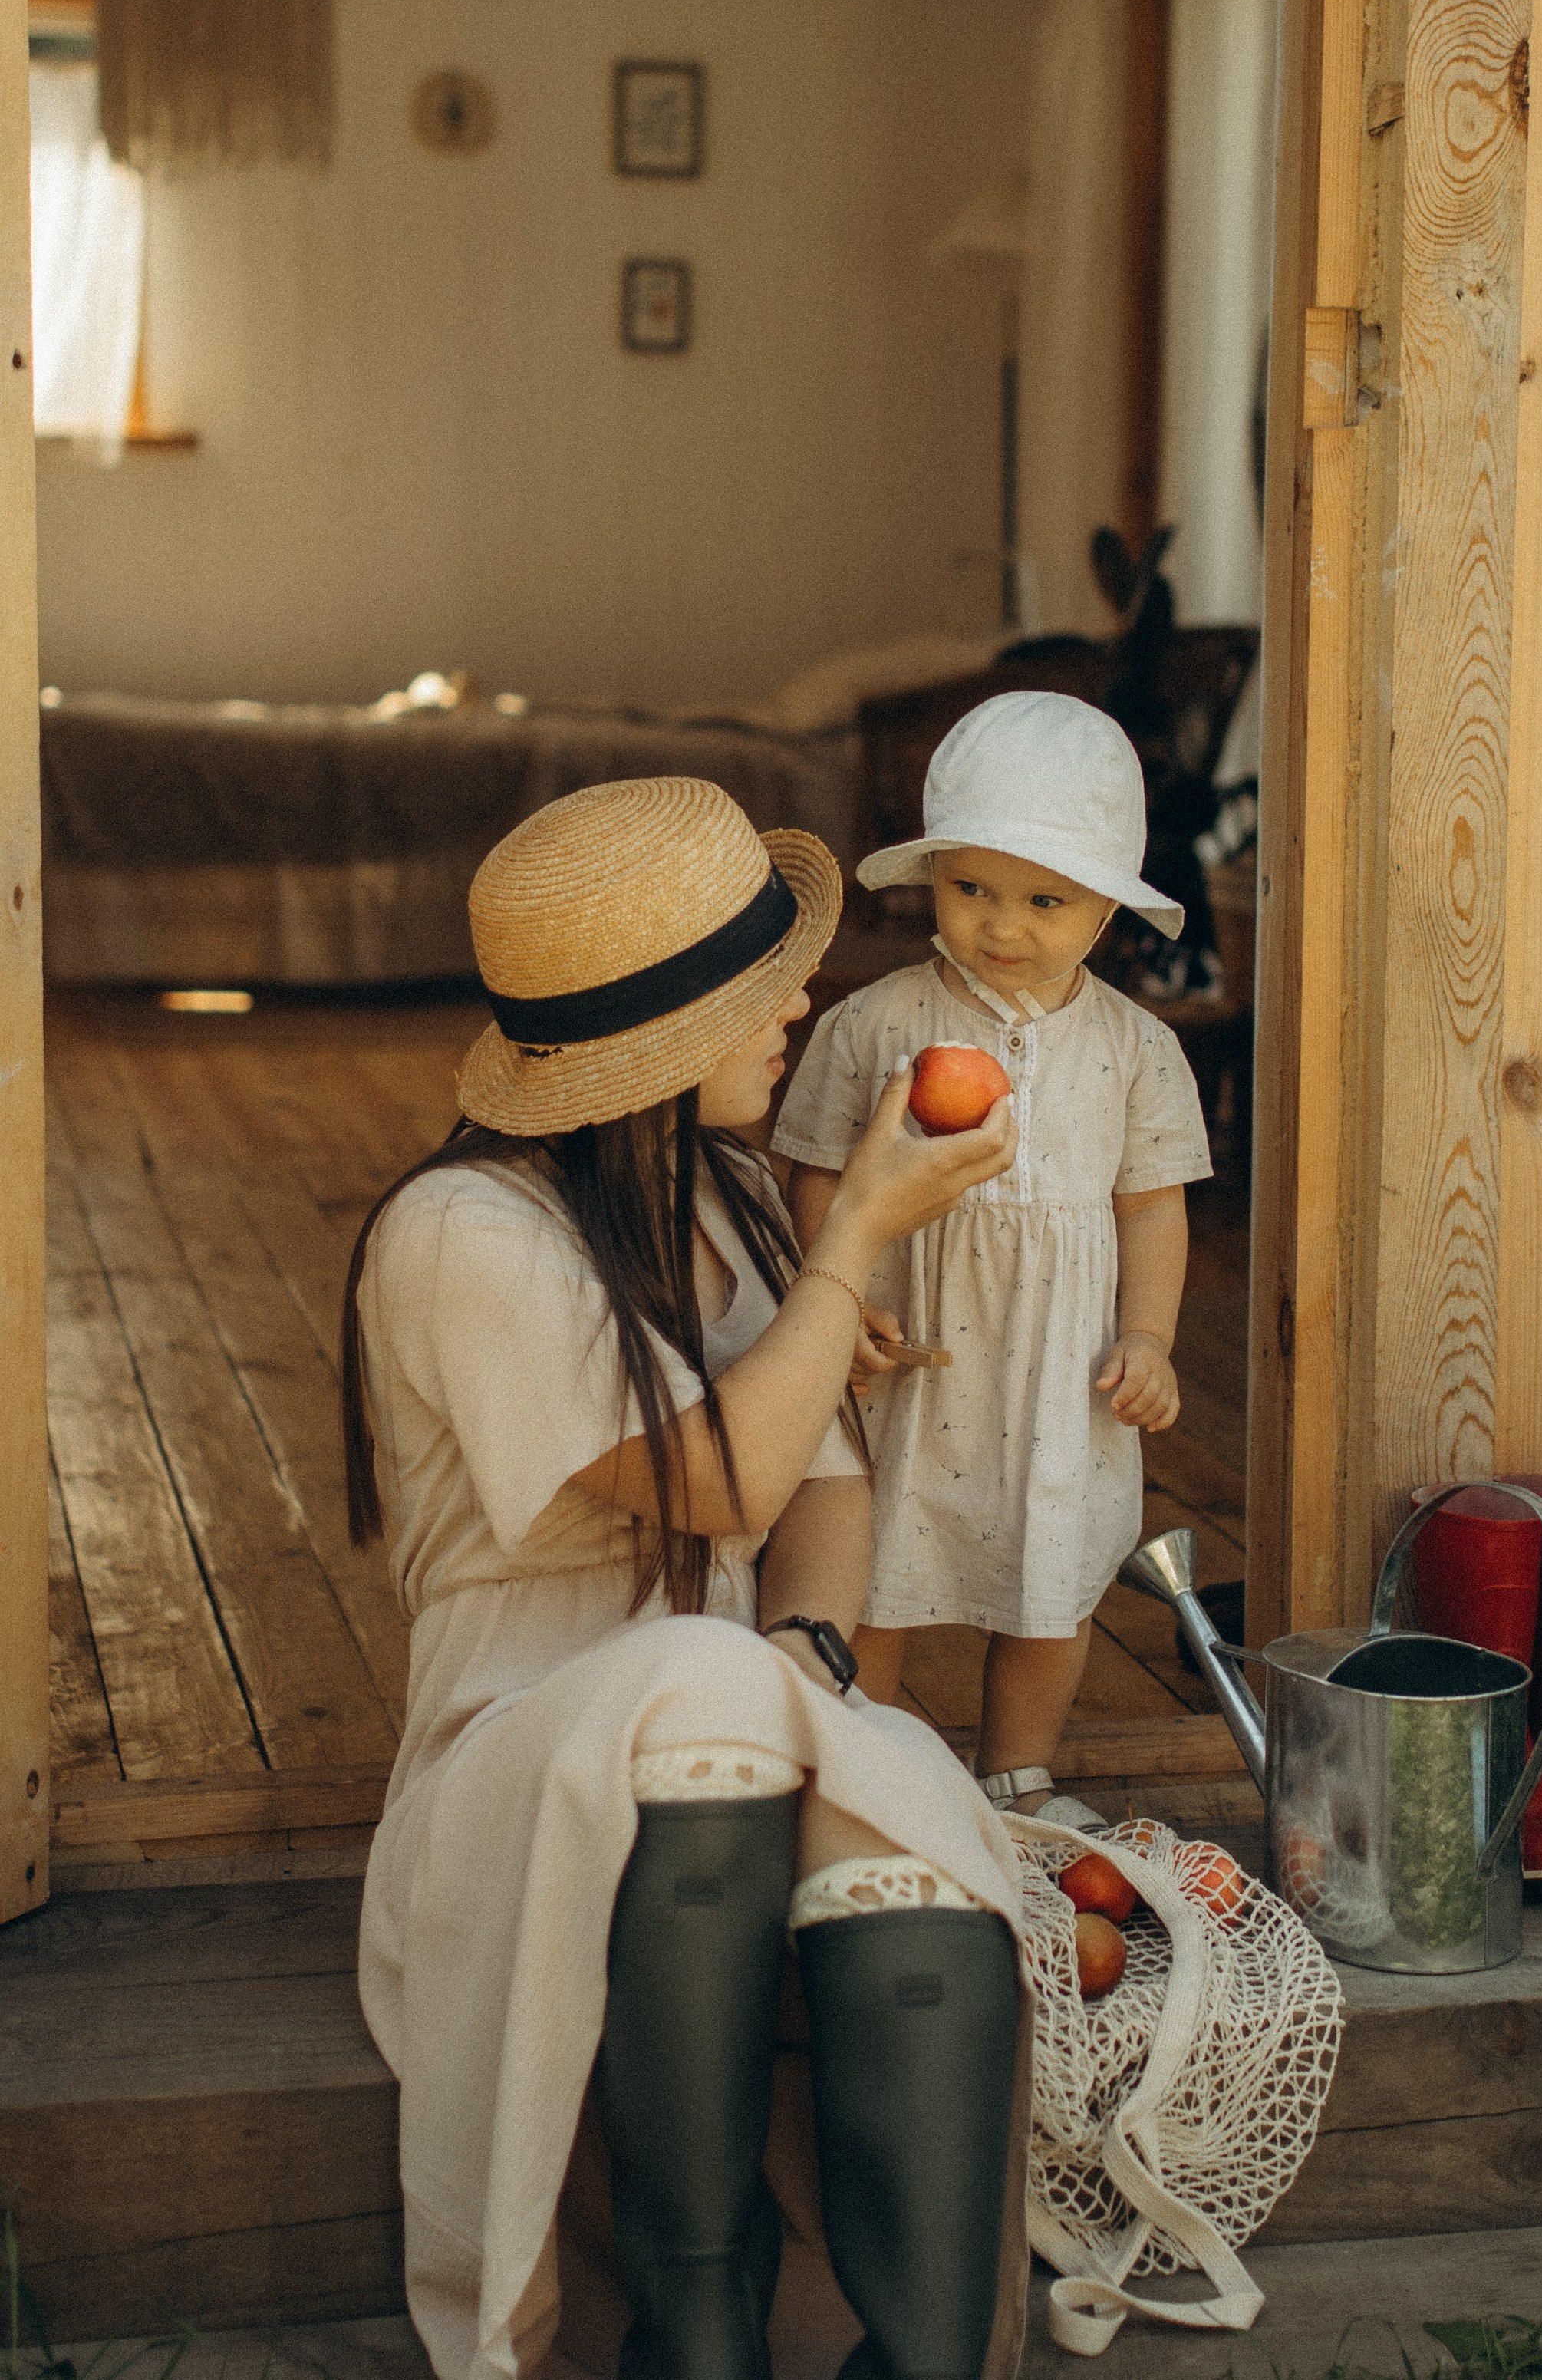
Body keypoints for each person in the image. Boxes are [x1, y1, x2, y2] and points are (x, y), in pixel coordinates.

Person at [344, 776, 1033, 2380]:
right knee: (719, 1684)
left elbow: (821, 1501)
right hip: (517, 1759)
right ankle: (696, 2333)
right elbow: (719, 1476)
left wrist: (800, 1660)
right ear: (651, 1038)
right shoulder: (458, 1234)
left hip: (736, 1717)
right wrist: (856, 1233)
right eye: (760, 985)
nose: (805, 998)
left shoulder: (721, 1197)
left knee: (930, 1838)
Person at [772, 692, 1214, 1834]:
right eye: (972, 889)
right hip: (912, 1353)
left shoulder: (1135, 1050)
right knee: (881, 1566)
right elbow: (817, 1171)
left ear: (1108, 907)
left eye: (1045, 900)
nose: (1003, 925)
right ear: (934, 876)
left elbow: (1152, 1210)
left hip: (1062, 1370)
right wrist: (846, 1296)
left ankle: (1017, 1769)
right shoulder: (876, 1026)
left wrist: (1150, 1336)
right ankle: (857, 1754)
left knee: (1050, 1588)